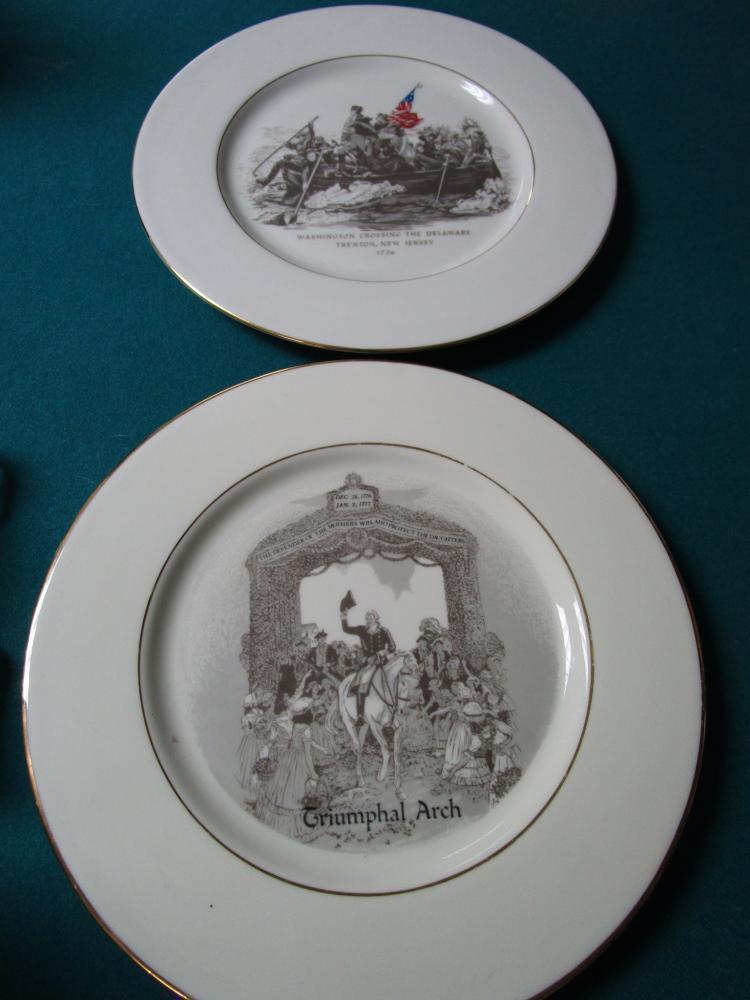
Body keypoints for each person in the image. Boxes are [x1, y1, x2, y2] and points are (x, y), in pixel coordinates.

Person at [254, 697, 323, 839]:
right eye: (311, 710)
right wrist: (313, 774)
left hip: (288, 758)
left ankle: (277, 825)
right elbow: (307, 755)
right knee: (296, 793)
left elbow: (294, 744)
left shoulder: (296, 726)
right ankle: (295, 828)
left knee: (282, 789)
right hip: (299, 763)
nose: (314, 712)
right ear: (307, 713)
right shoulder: (307, 730)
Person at [340, 599, 396, 725]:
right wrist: (344, 615)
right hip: (369, 662)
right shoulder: (361, 630)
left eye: (371, 617)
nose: (368, 619)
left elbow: (393, 647)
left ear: (376, 618)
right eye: (367, 617)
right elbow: (346, 629)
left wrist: (383, 652)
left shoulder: (384, 631)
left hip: (382, 660)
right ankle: (360, 715)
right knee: (362, 681)